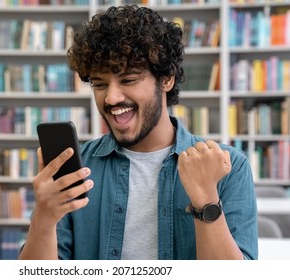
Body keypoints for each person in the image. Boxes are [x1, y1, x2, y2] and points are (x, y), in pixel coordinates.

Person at [19, 5, 258, 260]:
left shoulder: (227, 166)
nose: (111, 97)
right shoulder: (75, 168)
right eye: (99, 84)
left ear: (166, 79)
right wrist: (43, 220)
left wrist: (206, 199)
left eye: (128, 79)